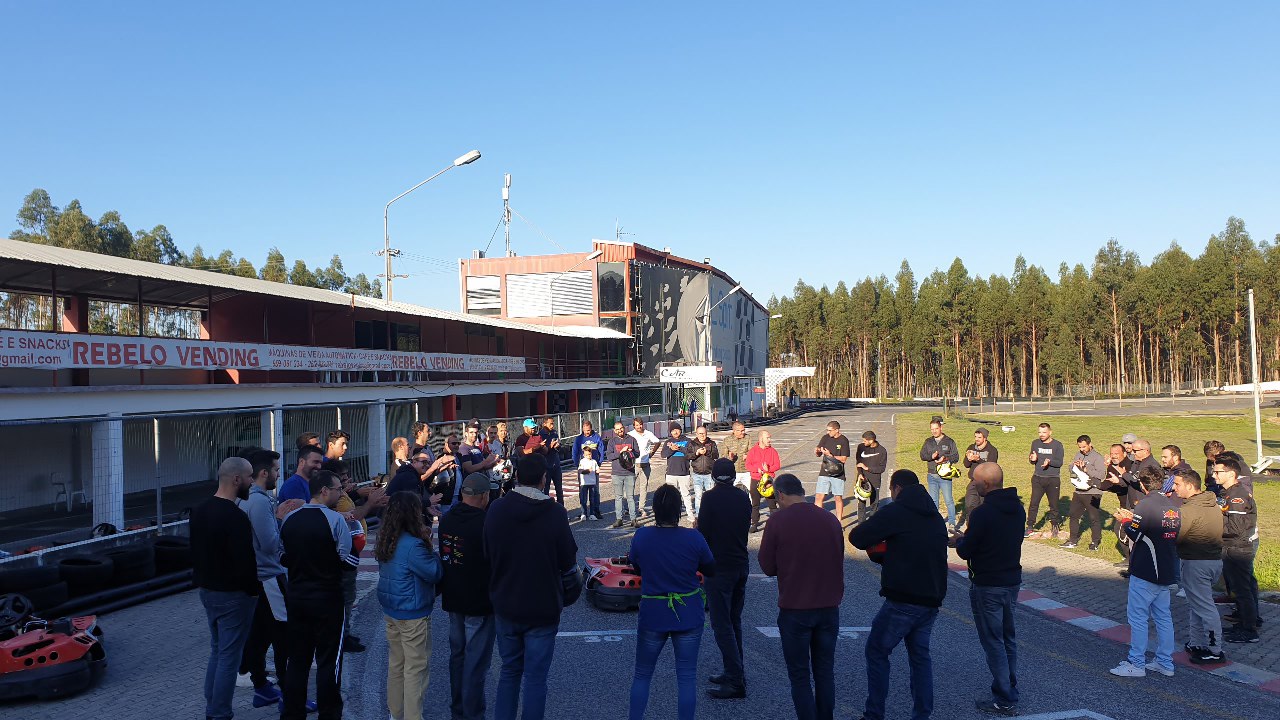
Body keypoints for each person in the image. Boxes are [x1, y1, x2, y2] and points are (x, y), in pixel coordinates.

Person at [484, 453, 578, 720]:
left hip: (506, 601)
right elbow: (567, 559)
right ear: (543, 479)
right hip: (543, 605)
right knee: (536, 678)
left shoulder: (497, 509)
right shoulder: (555, 513)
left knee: (509, 671)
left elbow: (487, 552)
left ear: (516, 477)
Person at [848, 470, 949, 720]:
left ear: (896, 489)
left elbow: (858, 537)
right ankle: (922, 714)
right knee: (920, 657)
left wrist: (883, 549)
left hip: (904, 598)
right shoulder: (934, 516)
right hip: (932, 598)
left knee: (877, 651)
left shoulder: (896, 512)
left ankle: (874, 714)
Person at [758, 474, 844, 720]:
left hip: (795, 607)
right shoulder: (829, 520)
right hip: (828, 606)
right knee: (825, 672)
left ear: (781, 495)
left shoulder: (778, 521)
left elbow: (767, 566)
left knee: (799, 675)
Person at [627, 484, 715, 720]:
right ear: (679, 510)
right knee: (686, 676)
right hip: (688, 612)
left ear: (655, 509)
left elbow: (636, 566)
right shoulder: (693, 537)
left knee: (642, 674)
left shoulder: (642, 535)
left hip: (653, 612)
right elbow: (710, 568)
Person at [279, 469, 357, 720]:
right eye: (337, 489)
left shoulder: (290, 519)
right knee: (329, 661)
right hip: (328, 599)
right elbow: (347, 557)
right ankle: (330, 714)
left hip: (297, 599)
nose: (340, 493)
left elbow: (283, 556)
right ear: (324, 491)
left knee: (298, 660)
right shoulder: (334, 520)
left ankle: (292, 713)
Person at [190, 456, 260, 720]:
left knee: (218, 651)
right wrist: (253, 592)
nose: (252, 481)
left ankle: (213, 704)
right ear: (236, 479)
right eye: (250, 476)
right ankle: (219, 712)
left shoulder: (199, 510)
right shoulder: (236, 517)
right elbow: (245, 562)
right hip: (234, 596)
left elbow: (194, 552)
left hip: (208, 591)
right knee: (230, 657)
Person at [953, 463, 1025, 717]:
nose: (973, 485)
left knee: (993, 641)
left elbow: (966, 550)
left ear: (986, 484)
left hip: (988, 584)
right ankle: (1009, 684)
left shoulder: (982, 513)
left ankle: (1005, 697)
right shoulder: (1017, 507)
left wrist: (960, 540)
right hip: (1011, 581)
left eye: (975, 481)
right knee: (1008, 637)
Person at [236, 449, 300, 708]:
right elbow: (270, 543)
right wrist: (282, 520)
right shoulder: (260, 501)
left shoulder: (241, 498)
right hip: (269, 577)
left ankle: (261, 685)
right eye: (275, 470)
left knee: (259, 635)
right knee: (284, 634)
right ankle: (289, 694)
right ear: (263, 473)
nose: (278, 474)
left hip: (254, 577)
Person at [376, 491, 444, 720]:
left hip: (391, 608)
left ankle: (396, 714)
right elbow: (434, 573)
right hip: (413, 610)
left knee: (397, 665)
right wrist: (431, 548)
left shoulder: (386, 538)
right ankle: (413, 716)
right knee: (416, 668)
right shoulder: (414, 545)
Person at [1109, 465, 1180, 678]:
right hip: (1166, 569)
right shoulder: (1173, 507)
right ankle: (1165, 662)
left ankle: (1136, 662)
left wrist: (1126, 520)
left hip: (1146, 570)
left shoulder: (1145, 505)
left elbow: (1134, 534)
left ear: (1142, 484)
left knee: (1138, 617)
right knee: (1163, 617)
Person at [439, 474, 497, 720]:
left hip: (453, 599)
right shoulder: (486, 523)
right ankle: (473, 714)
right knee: (475, 662)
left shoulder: (447, 518)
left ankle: (458, 711)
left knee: (458, 656)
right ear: (484, 496)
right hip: (479, 602)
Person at [699, 458, 752, 699]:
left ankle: (735, 680)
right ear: (733, 477)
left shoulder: (709, 498)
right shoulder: (743, 497)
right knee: (734, 622)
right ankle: (735, 670)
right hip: (741, 564)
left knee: (722, 625)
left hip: (719, 568)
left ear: (713, 477)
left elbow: (703, 534)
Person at [1172, 469, 1225, 664]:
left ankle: (1214, 649)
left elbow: (1177, 537)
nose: (1174, 488)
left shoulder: (1188, 510)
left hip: (1196, 563)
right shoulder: (1211, 503)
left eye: (1177, 484)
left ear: (1189, 485)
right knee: (1197, 604)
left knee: (1205, 607)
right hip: (1213, 561)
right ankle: (1196, 642)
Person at [1216, 456, 1261, 644]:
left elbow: (1235, 529)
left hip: (1238, 548)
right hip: (1236, 546)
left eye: (1218, 472)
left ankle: (1249, 630)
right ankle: (1248, 620)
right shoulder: (1231, 492)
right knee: (1245, 587)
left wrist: (1213, 527)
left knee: (1242, 589)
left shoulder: (1237, 496)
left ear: (1232, 474)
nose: (1214, 474)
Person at [1063, 435, 1106, 550]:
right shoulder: (1078, 455)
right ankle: (1073, 540)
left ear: (1089, 444)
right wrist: (1073, 466)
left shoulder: (1097, 457)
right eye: (1080, 447)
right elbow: (1072, 470)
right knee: (1073, 515)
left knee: (1094, 517)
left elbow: (1101, 475)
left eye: (1084, 447)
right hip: (1079, 491)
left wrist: (1086, 469)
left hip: (1093, 492)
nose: (1082, 449)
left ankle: (1095, 542)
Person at [918, 416, 960, 531]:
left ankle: (951, 523)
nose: (934, 431)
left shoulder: (949, 441)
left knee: (948, 500)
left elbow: (956, 457)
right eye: (932, 429)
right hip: (931, 476)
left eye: (936, 428)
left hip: (945, 476)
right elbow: (922, 455)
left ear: (941, 428)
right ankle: (934, 522)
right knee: (933, 501)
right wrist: (931, 457)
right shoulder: (928, 441)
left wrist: (945, 459)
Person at [1025, 422, 1064, 539]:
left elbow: (1059, 463)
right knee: (1034, 503)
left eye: (1044, 432)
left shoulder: (1057, 445)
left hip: (1052, 479)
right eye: (1039, 432)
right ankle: (1030, 526)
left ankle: (1055, 526)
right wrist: (1032, 459)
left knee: (1054, 504)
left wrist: (1049, 462)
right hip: (1038, 478)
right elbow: (1031, 458)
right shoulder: (1035, 443)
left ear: (1050, 432)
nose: (1041, 435)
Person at [958, 428, 998, 531]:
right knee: (969, 505)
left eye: (979, 437)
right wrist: (968, 458)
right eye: (975, 437)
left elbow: (991, 467)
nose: (977, 439)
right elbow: (966, 465)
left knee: (983, 507)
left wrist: (978, 459)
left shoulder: (992, 450)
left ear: (985, 438)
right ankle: (970, 528)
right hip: (974, 481)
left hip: (986, 483)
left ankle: (984, 530)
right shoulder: (971, 447)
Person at [606, 420, 641, 528]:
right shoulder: (612, 442)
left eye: (621, 428)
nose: (619, 430)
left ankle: (633, 519)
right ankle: (619, 519)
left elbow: (638, 453)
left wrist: (630, 452)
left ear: (624, 428)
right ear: (614, 430)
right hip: (616, 473)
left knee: (630, 497)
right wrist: (621, 452)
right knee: (618, 497)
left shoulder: (631, 439)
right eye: (617, 429)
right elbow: (609, 456)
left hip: (629, 472)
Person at [814, 421, 851, 522]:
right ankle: (818, 520)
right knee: (819, 497)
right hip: (824, 471)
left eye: (830, 430)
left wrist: (831, 455)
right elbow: (819, 453)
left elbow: (844, 459)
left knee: (837, 498)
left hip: (837, 473)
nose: (828, 432)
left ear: (837, 430)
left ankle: (838, 521)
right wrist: (817, 451)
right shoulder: (825, 438)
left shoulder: (844, 440)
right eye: (827, 430)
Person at [747, 430, 782, 533]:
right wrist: (757, 468)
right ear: (761, 438)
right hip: (756, 479)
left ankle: (776, 523)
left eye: (769, 438)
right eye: (767, 438)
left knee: (772, 503)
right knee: (755, 503)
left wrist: (768, 469)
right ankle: (754, 523)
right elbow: (748, 465)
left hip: (768, 480)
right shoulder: (753, 451)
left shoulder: (773, 451)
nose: (769, 440)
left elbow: (777, 465)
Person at [661, 423, 696, 523]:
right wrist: (671, 449)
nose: (675, 432)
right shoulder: (668, 442)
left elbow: (691, 453)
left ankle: (690, 514)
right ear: (670, 432)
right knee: (670, 495)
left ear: (681, 430)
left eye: (677, 430)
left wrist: (679, 448)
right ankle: (671, 514)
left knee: (686, 494)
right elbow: (663, 455)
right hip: (671, 473)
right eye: (673, 430)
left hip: (684, 472)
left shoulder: (687, 441)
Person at [571, 420, 604, 521]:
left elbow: (601, 451)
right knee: (583, 491)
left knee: (595, 491)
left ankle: (595, 511)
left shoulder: (596, 437)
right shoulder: (579, 439)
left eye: (588, 430)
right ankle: (583, 512)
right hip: (583, 469)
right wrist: (578, 465)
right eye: (585, 430)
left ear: (591, 428)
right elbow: (575, 453)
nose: (586, 432)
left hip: (594, 468)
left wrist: (599, 463)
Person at [855, 430, 889, 524]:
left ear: (871, 440)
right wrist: (860, 473)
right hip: (862, 479)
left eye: (865, 440)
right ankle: (861, 526)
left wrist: (867, 468)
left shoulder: (882, 451)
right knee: (861, 504)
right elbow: (858, 462)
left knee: (874, 504)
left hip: (875, 481)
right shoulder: (861, 447)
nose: (863, 442)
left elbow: (882, 468)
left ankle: (872, 525)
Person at [629, 418, 661, 518]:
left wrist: (652, 453)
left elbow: (657, 442)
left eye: (641, 424)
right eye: (637, 425)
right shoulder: (630, 434)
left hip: (645, 464)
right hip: (633, 464)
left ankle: (641, 507)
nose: (640, 426)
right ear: (634, 426)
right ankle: (629, 507)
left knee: (644, 486)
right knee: (630, 486)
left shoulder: (648, 433)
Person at [687, 424, 720, 515]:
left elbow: (716, 455)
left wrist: (707, 452)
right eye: (700, 433)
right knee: (698, 496)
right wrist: (697, 453)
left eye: (704, 433)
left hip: (709, 474)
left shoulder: (711, 443)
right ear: (696, 434)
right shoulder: (692, 443)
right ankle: (698, 515)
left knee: (711, 496)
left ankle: (712, 514)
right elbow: (688, 456)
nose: (702, 435)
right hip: (697, 474)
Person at [538, 417, 565, 505]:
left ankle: (561, 510)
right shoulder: (540, 435)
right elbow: (542, 451)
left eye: (553, 423)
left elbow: (558, 448)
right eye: (550, 423)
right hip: (546, 465)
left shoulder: (554, 433)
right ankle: (546, 511)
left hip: (556, 464)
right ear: (544, 424)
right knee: (546, 490)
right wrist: (550, 446)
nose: (552, 425)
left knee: (559, 490)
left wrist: (558, 446)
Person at [722, 421, 754, 492]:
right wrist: (730, 458)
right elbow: (723, 457)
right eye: (741, 431)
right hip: (733, 471)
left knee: (751, 491)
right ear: (734, 431)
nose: (743, 432)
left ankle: (750, 503)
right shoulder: (727, 440)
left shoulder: (748, 438)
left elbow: (753, 451)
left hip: (746, 471)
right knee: (730, 492)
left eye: (743, 430)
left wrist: (748, 455)